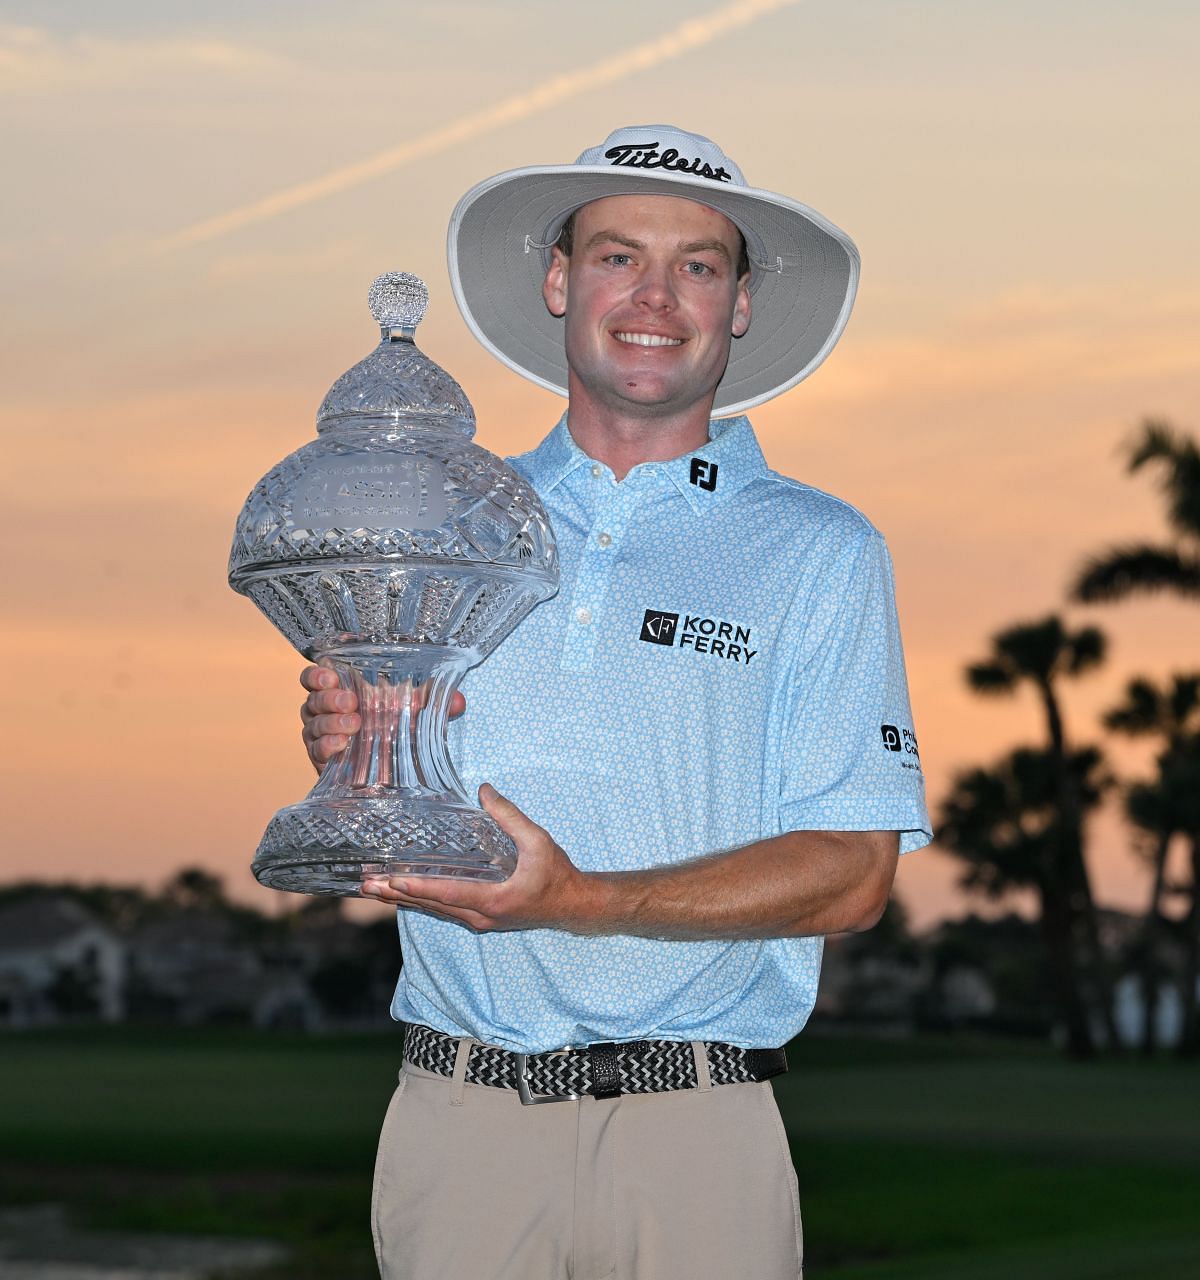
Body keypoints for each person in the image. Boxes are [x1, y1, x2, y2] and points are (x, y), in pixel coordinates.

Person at [300, 125, 930, 1280]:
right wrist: (353, 745)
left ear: (739, 303)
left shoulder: (823, 551)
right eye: (617, 255)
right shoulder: (445, 525)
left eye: (698, 263)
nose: (656, 295)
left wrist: (581, 899)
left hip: (700, 1134)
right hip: (462, 1121)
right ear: (558, 280)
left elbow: (856, 870)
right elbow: (383, 783)